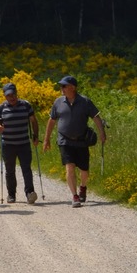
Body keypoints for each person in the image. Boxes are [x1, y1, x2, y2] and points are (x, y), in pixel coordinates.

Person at [43, 75, 106, 208]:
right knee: (69, 167)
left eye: (64, 86)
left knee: (84, 170)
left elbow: (96, 117)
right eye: (61, 86)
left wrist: (102, 133)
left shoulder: (85, 102)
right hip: (64, 140)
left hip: (81, 141)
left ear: (73, 87)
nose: (61, 88)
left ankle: (83, 187)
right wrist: (46, 139)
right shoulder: (58, 102)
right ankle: (75, 196)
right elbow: (52, 120)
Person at [0, 81, 39, 204]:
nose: (11, 97)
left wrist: (35, 136)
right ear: (5, 96)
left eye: (13, 94)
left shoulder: (26, 105)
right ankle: (11, 194)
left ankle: (30, 193)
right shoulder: (1, 108)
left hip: (24, 143)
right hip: (8, 145)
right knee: (10, 170)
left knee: (26, 169)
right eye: (8, 95)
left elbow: (34, 121)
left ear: (16, 93)